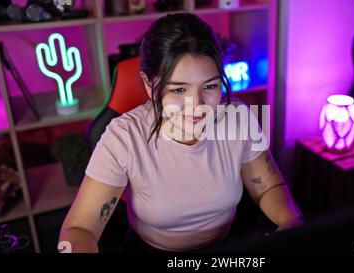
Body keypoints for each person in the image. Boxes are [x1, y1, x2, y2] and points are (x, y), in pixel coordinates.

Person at [58, 12, 302, 253]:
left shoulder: (237, 118)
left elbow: (269, 187)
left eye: (210, 86)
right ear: (148, 84)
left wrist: (291, 222)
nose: (197, 105)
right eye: (178, 90)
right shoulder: (123, 137)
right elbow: (80, 228)